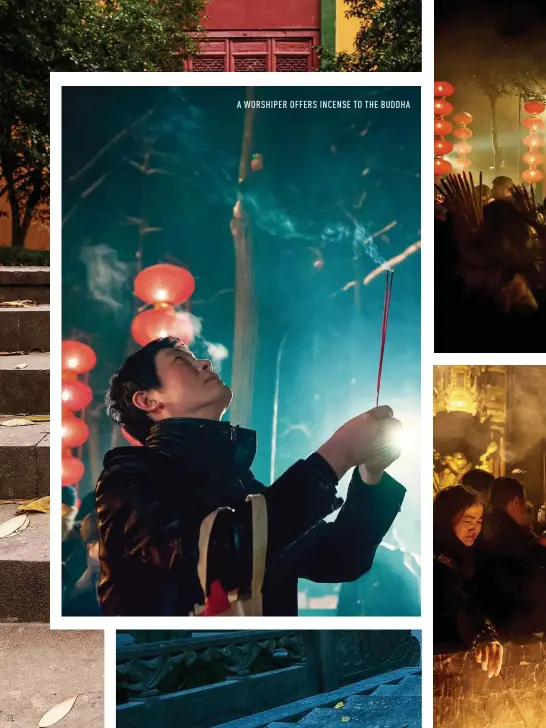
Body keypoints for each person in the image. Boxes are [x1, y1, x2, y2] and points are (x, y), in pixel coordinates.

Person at [96, 336, 407, 616]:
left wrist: (370, 473)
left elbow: (340, 557)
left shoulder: (242, 484)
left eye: (197, 358)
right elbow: (213, 558)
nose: (204, 363)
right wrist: (339, 453)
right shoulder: (128, 477)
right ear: (148, 400)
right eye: (182, 361)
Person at [433, 485, 502, 679]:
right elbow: (455, 600)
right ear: (446, 520)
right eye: (468, 521)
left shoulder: (471, 554)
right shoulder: (437, 559)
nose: (475, 528)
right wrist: (482, 634)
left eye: (479, 521)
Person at [478, 477, 546, 634]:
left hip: (494, 622)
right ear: (516, 501)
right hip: (514, 625)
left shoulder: (483, 526)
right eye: (524, 501)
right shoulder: (512, 536)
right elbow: (527, 577)